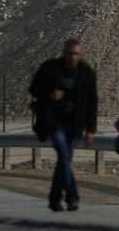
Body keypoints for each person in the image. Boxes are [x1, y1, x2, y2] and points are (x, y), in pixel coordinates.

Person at [29, 39, 98, 212]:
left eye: (76, 54)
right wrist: (50, 94)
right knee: (63, 154)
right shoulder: (50, 68)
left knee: (64, 160)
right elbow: (34, 89)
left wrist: (91, 129)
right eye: (69, 53)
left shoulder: (86, 73)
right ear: (63, 52)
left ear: (80, 55)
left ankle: (54, 199)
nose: (72, 57)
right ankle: (72, 197)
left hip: (74, 124)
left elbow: (92, 102)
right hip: (53, 121)